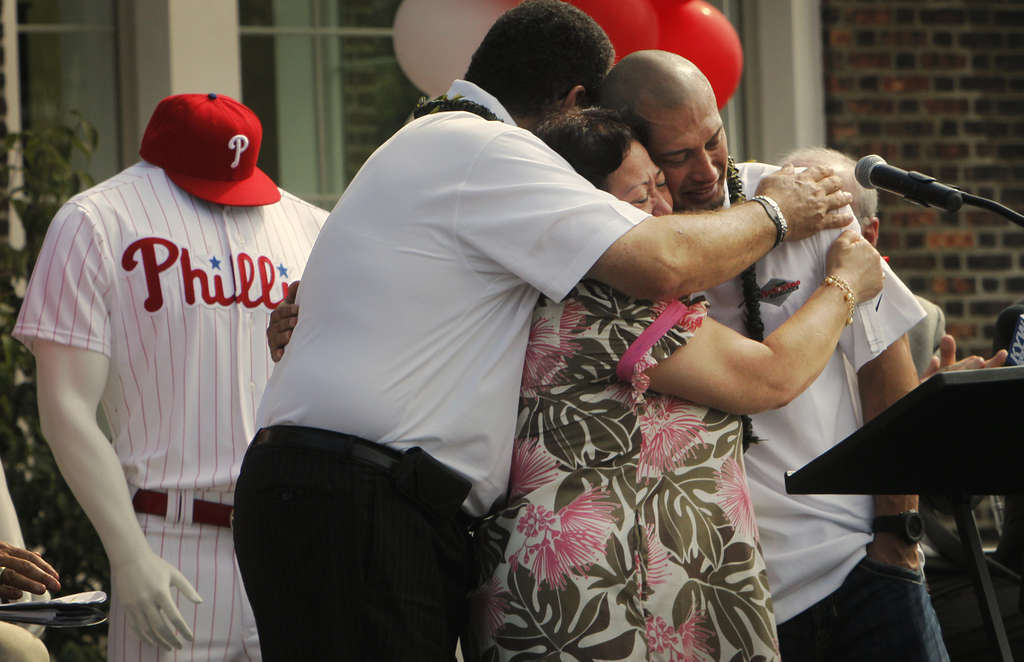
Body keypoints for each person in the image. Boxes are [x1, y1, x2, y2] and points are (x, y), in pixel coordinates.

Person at [235, 2, 854, 660]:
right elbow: (661, 259)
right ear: (577, 101)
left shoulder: (432, 145)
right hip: (365, 503)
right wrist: (780, 213)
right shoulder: (490, 149)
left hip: (338, 490)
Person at [464, 107, 884, 661]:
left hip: (625, 590)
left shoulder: (559, 287)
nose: (666, 210)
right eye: (642, 198)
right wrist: (844, 285)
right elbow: (767, 377)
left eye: (662, 185)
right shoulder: (606, 297)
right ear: (588, 210)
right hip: (600, 600)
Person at [599, 50, 948, 660]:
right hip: (726, 602)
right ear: (634, 151)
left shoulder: (801, 199)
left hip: (861, 570)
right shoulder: (626, 244)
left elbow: (884, 367)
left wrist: (899, 537)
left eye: (714, 140)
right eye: (678, 157)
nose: (707, 170)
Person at [14, 93, 327, 661]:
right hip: (171, 539)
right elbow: (66, 408)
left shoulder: (311, 225)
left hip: (294, 538)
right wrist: (128, 552)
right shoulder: (95, 221)